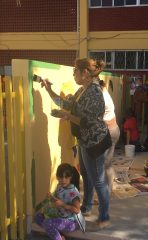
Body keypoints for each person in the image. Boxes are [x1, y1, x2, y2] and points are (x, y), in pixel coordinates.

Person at [41, 58, 111, 229]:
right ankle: (86, 207)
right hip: (84, 140)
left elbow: (89, 122)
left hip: (95, 142)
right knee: (86, 175)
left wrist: (66, 116)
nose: (73, 74)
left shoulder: (94, 92)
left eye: (75, 71)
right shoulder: (82, 90)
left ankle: (104, 217)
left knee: (99, 180)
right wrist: (49, 89)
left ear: (85, 73)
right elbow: (65, 103)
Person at [35, 163, 81, 240]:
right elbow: (57, 200)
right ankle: (59, 234)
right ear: (57, 177)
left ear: (71, 177)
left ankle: (58, 237)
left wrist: (63, 205)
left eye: (66, 177)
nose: (63, 180)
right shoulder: (59, 186)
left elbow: (77, 210)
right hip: (59, 216)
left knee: (47, 223)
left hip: (71, 222)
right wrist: (51, 198)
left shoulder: (73, 192)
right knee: (38, 217)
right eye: (60, 177)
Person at [99, 78, 120, 193]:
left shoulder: (101, 97)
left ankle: (107, 190)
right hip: (113, 130)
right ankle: (109, 188)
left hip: (109, 133)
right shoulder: (105, 92)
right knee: (107, 163)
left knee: (104, 164)